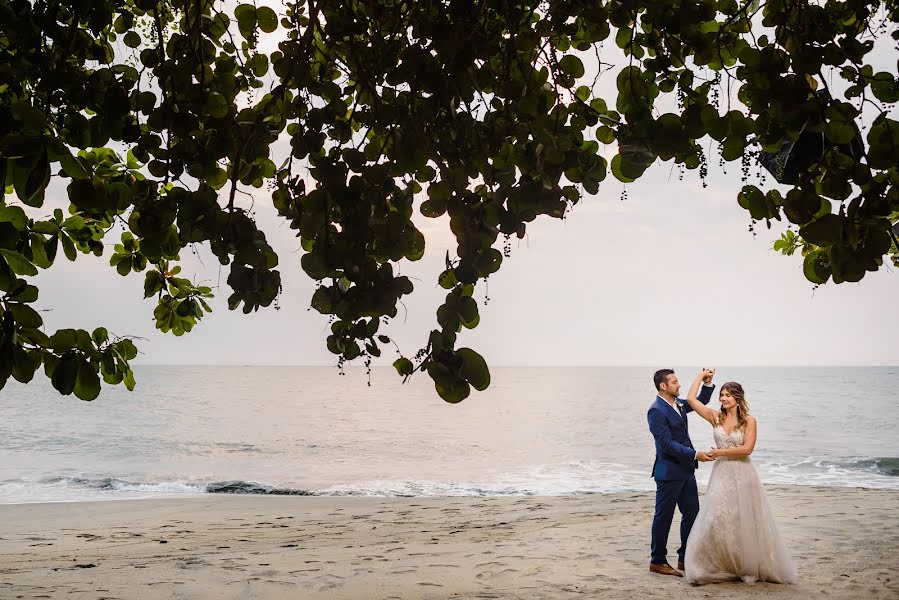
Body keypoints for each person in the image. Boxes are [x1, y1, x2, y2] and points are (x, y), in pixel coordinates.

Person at [683, 369, 798, 585]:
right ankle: (719, 563)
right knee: (716, 519)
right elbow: (690, 399)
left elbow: (747, 449)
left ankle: (745, 564)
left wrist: (719, 453)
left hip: (743, 474)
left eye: (727, 395)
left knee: (743, 520)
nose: (724, 399)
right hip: (721, 475)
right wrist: (703, 376)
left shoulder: (749, 421)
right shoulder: (715, 417)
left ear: (737, 398)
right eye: (722, 396)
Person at [647, 368, 716, 577]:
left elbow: (697, 401)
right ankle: (657, 560)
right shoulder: (656, 411)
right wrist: (695, 454)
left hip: (686, 471)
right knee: (664, 517)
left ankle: (684, 558)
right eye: (675, 382)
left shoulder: (677, 404)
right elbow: (666, 445)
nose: (679, 385)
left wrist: (707, 383)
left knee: (692, 515)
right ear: (663, 385)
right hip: (668, 473)